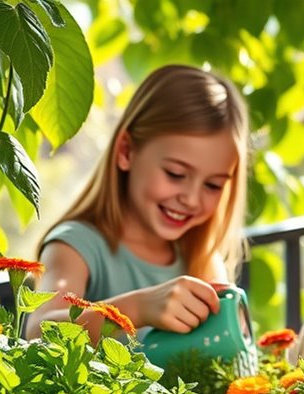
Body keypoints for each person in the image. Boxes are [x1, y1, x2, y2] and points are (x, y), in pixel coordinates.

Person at [26, 64, 249, 340]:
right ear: (126, 151)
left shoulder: (201, 254)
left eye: (213, 185)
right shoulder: (76, 245)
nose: (191, 199)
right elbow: (39, 331)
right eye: (175, 174)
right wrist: (137, 308)